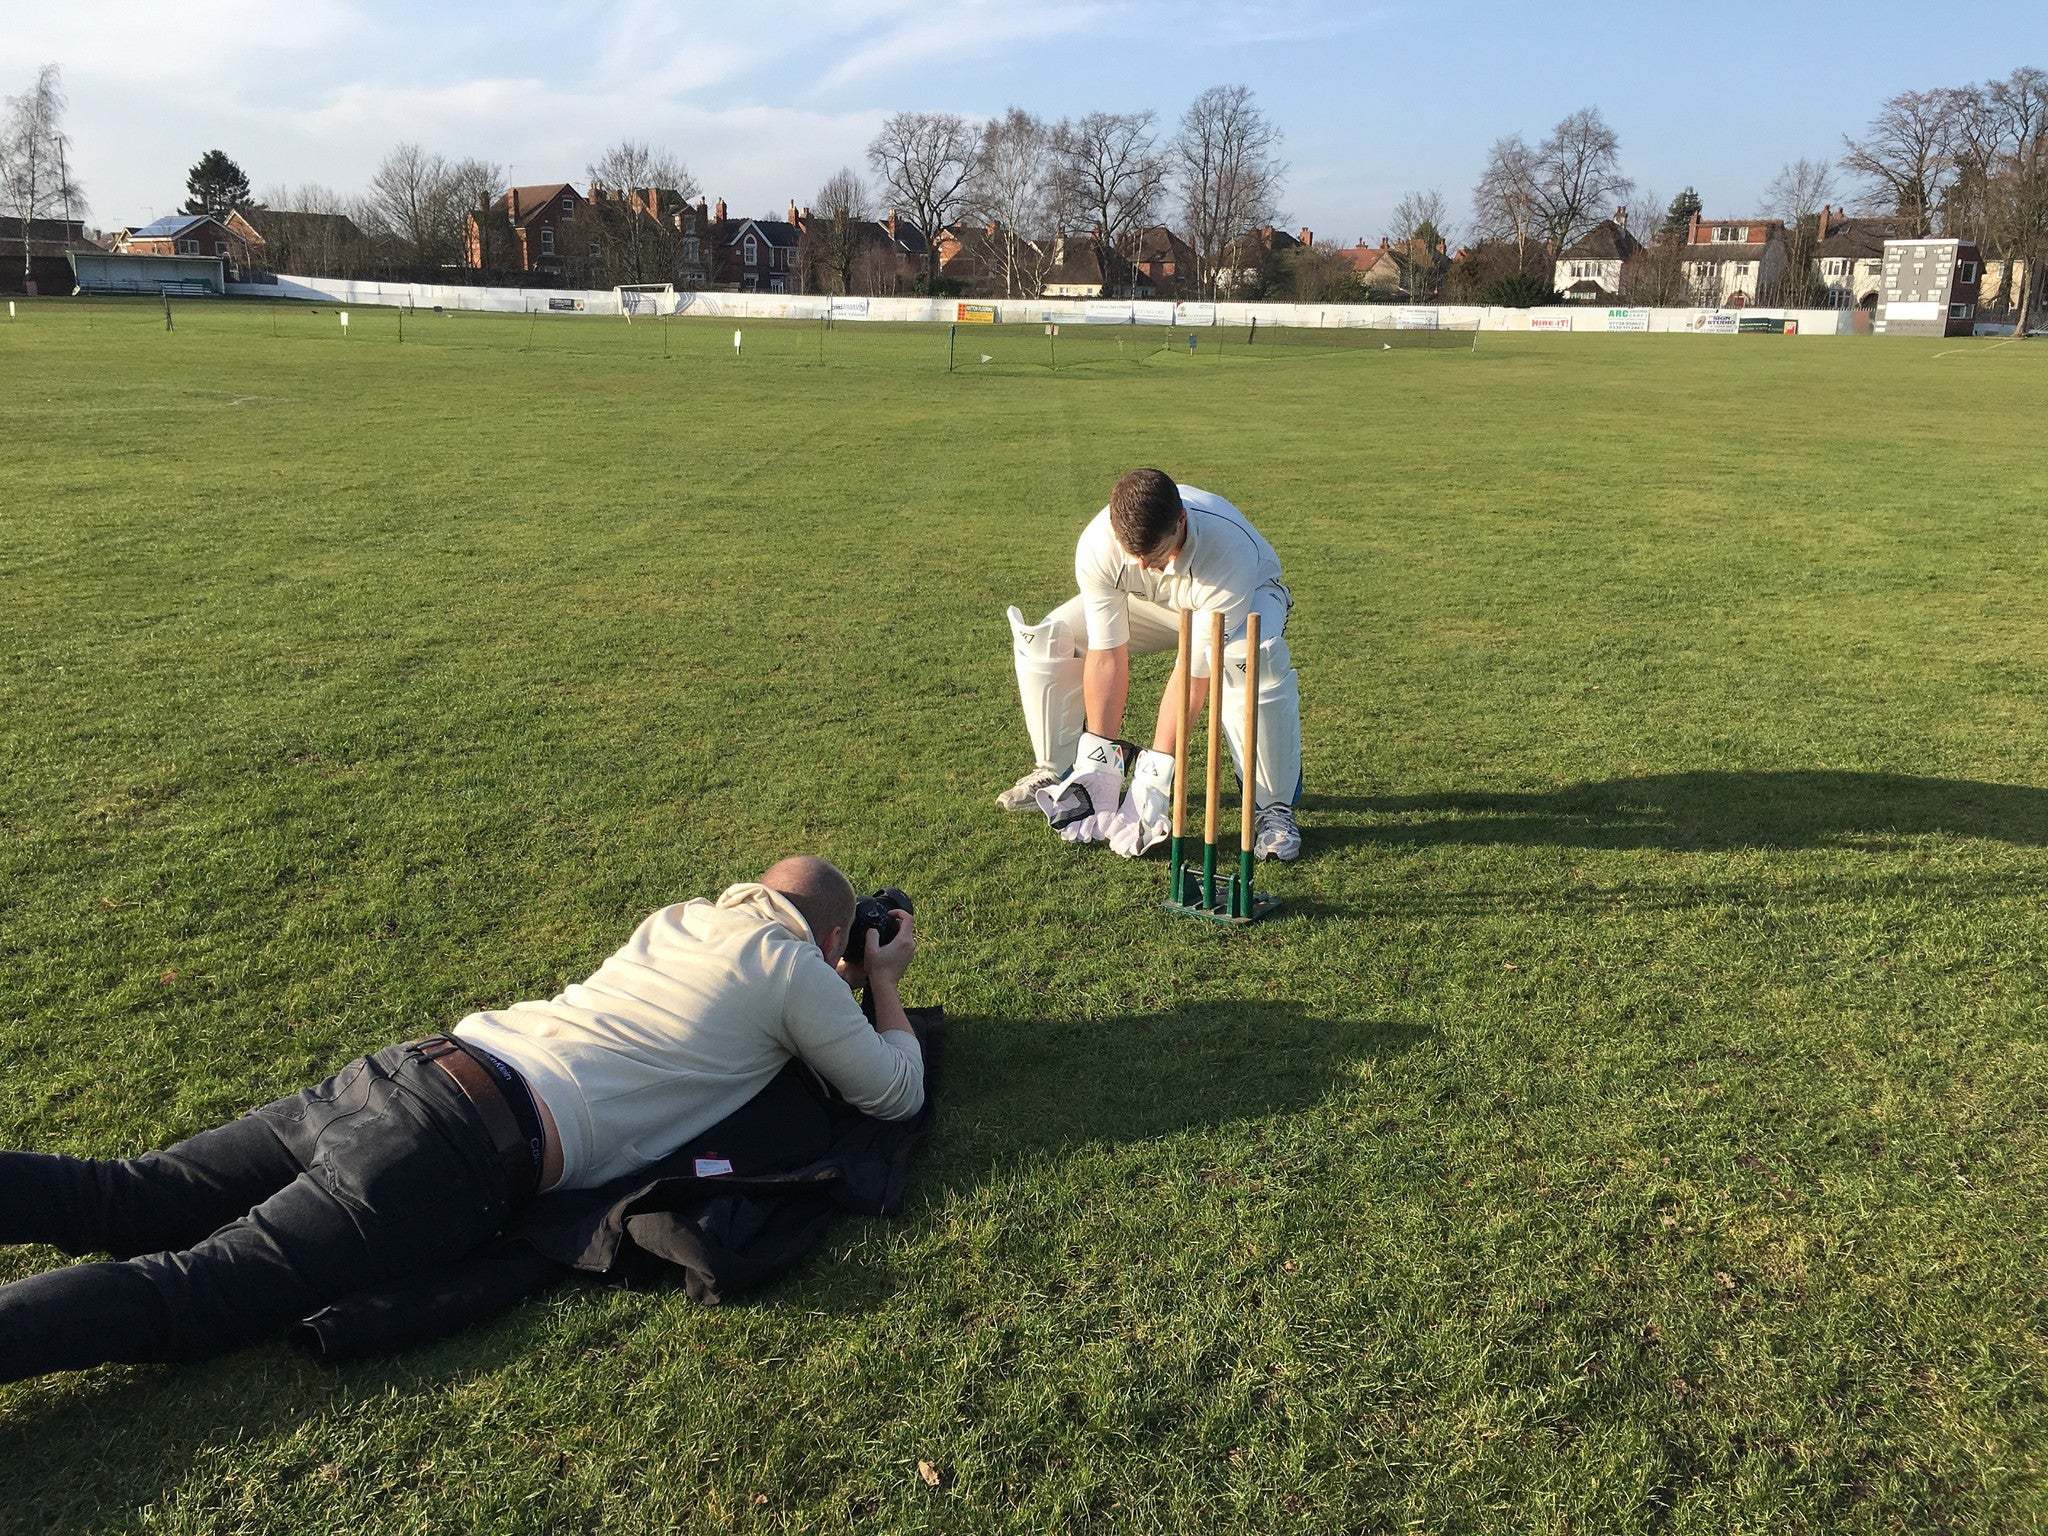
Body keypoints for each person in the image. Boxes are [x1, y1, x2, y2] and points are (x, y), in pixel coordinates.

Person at [0, 856, 919, 1384]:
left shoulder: (679, 919)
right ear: (832, 938)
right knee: (187, 1293)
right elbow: (891, 1091)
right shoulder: (797, 970)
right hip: (447, 1153)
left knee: (123, 1194)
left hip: (404, 1072)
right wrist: (878, 983)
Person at [999, 468, 1303, 862]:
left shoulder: (1227, 549)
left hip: (1247, 595)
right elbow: (1107, 655)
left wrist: (1154, 775)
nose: (1142, 566)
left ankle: (1271, 808)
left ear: (1180, 522)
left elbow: (1192, 675)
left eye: (1153, 555)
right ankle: (1065, 773)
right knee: (1050, 638)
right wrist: (1101, 759)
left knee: (1248, 658)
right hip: (1157, 605)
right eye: (1133, 556)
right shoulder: (1098, 544)